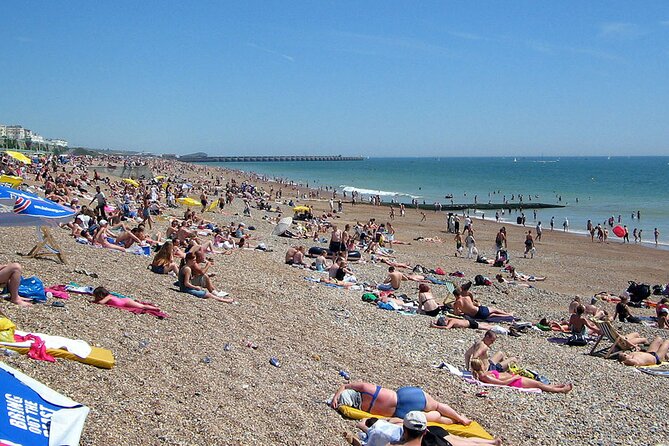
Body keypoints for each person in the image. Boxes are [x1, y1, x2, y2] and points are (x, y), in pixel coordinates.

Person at [330, 381, 472, 425]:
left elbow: (345, 386)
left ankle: (458, 421)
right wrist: (337, 395)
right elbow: (346, 385)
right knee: (437, 406)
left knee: (437, 417)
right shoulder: (366, 389)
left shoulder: (361, 407)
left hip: (400, 412)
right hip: (404, 398)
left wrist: (336, 397)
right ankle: (460, 419)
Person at [470, 359, 573, 393]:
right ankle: (560, 390)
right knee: (538, 385)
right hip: (515, 381)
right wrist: (514, 377)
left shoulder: (483, 374)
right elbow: (501, 383)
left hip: (513, 379)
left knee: (539, 383)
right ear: (480, 366)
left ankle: (555, 386)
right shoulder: (485, 377)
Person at [92, 286, 160, 311]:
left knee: (142, 306)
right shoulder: (109, 296)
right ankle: (153, 307)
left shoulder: (108, 297)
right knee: (140, 305)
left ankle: (155, 308)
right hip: (124, 301)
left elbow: (101, 303)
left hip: (126, 302)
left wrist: (93, 301)